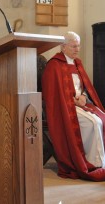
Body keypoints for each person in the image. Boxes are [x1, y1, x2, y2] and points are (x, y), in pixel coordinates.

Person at [42, 31, 105, 181]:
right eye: (74, 46)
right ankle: (93, 161)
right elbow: (53, 95)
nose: (77, 49)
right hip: (65, 108)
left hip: (80, 103)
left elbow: (83, 86)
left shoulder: (77, 63)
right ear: (63, 47)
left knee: (103, 118)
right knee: (93, 122)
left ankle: (102, 160)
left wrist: (83, 96)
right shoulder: (54, 65)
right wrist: (72, 101)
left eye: (78, 46)